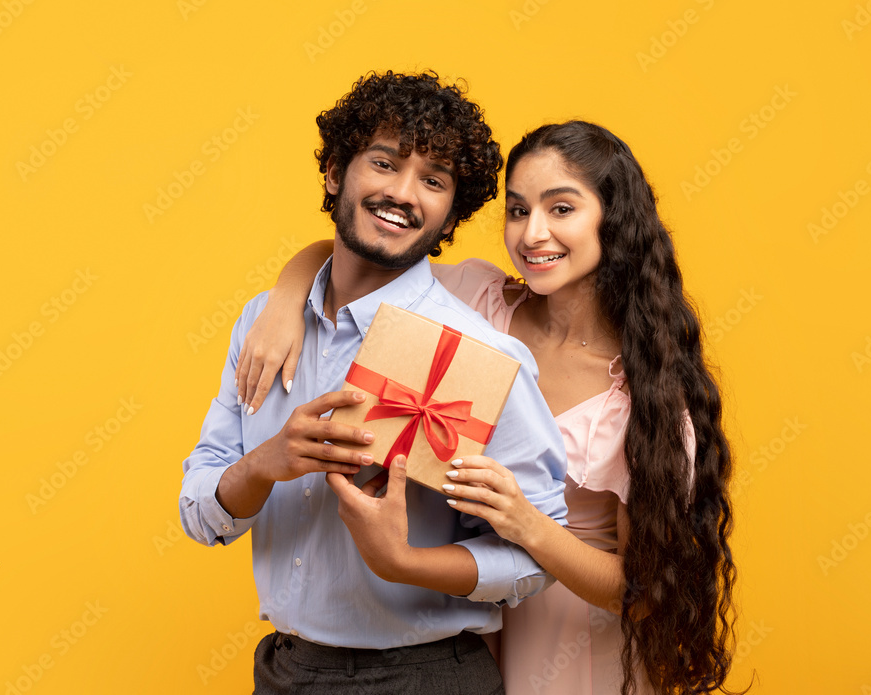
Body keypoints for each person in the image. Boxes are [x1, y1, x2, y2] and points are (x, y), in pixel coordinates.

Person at [237, 121, 742, 694]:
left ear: (614, 219)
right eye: (519, 210)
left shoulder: (644, 397)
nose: (534, 234)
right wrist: (282, 304)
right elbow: (361, 247)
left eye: (561, 209)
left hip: (571, 649)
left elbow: (646, 594)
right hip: (459, 636)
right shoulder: (477, 302)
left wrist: (528, 526)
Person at [179, 71, 569, 695]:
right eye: (384, 162)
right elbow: (199, 514)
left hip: (425, 676)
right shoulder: (264, 322)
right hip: (282, 669)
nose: (403, 193)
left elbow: (534, 558)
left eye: (434, 181)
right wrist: (265, 464)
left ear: (448, 219)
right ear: (336, 173)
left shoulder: (476, 354)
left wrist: (405, 562)